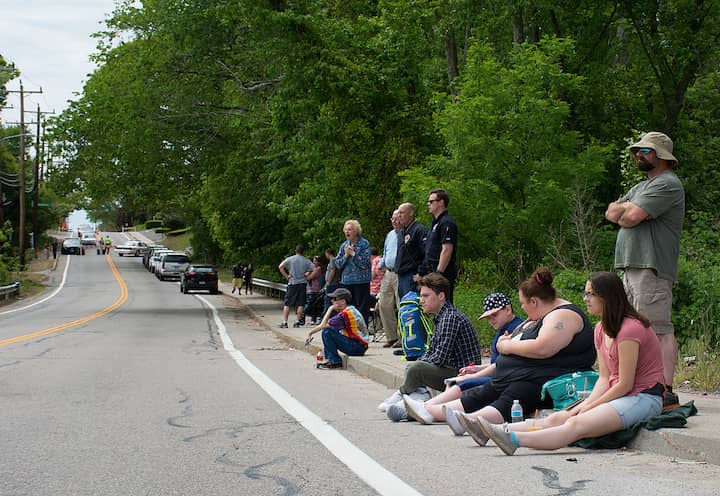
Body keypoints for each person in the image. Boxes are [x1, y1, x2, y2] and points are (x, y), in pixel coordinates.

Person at [471, 271, 666, 455]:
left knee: (575, 424)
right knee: (558, 417)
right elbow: (605, 378)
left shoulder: (630, 329)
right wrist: (586, 404)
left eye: (591, 294)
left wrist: (590, 407)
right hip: (618, 394)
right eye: (585, 293)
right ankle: (493, 430)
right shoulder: (601, 328)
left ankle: (513, 439)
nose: (585, 299)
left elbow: (625, 384)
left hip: (644, 397)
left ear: (607, 296)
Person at [403, 268, 595, 436]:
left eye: (523, 303)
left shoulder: (562, 316)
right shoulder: (542, 316)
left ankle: (469, 420)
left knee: (512, 394)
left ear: (534, 301)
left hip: (542, 380)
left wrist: (506, 346)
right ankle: (432, 410)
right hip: (516, 375)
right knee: (484, 391)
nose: (522, 308)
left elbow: (543, 348)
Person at [605, 131, 685, 409]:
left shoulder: (668, 184)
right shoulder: (642, 187)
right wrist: (624, 210)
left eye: (645, 151)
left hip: (652, 267)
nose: (638, 154)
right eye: (636, 150)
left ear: (661, 155)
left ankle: (665, 391)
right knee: (635, 328)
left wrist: (626, 211)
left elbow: (630, 216)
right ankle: (643, 385)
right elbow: (611, 212)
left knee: (657, 328)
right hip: (632, 265)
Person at [407, 292, 526, 423]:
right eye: (488, 317)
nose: (491, 320)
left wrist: (472, 376)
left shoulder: (515, 330)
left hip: (502, 378)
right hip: (498, 374)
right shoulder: (503, 330)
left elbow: (503, 364)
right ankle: (429, 408)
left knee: (461, 383)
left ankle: (427, 408)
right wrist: (478, 368)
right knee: (455, 382)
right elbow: (498, 362)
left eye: (495, 315)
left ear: (508, 309)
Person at [377, 273, 482, 421]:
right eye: (421, 296)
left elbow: (440, 358)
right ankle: (417, 398)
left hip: (463, 375)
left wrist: (419, 367)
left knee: (416, 369)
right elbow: (432, 352)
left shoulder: (450, 318)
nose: (421, 300)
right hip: (452, 370)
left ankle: (406, 395)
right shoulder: (442, 317)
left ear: (441, 296)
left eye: (426, 296)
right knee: (415, 366)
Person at [304, 288, 369, 370]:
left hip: (357, 347)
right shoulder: (350, 310)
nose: (332, 301)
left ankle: (334, 361)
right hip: (360, 346)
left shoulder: (346, 314)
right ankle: (331, 359)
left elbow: (323, 325)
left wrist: (330, 309)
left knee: (327, 332)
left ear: (343, 301)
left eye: (335, 299)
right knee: (330, 331)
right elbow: (329, 325)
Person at [418, 189, 458, 302]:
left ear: (441, 202)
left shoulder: (447, 223)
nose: (428, 204)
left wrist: (439, 273)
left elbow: (447, 250)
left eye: (431, 201)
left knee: (443, 302)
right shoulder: (434, 223)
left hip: (442, 273)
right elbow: (429, 249)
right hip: (430, 271)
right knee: (432, 305)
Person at [334, 219, 372, 322]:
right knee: (347, 309)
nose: (347, 232)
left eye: (350, 229)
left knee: (362, 310)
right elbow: (337, 264)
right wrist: (346, 255)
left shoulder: (364, 244)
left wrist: (354, 255)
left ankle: (362, 334)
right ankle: (349, 332)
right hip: (346, 282)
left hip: (361, 282)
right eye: (345, 230)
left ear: (356, 231)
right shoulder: (343, 245)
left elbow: (365, 264)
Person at [377, 210, 401, 348]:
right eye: (392, 218)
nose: (395, 221)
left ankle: (402, 337)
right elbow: (386, 251)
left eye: (397, 218)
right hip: (388, 272)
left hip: (400, 272)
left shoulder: (405, 234)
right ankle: (391, 336)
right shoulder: (390, 235)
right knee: (384, 304)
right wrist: (381, 264)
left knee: (400, 304)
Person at [395, 202, 426, 300]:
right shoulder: (401, 231)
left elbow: (426, 253)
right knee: (404, 304)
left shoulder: (419, 229)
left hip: (412, 274)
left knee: (411, 304)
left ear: (411, 213)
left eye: (402, 213)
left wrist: (421, 272)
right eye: (398, 213)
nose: (399, 216)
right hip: (401, 274)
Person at [278, 245, 314, 328]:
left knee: (288, 303)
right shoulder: (306, 261)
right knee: (301, 303)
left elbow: (280, 267)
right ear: (303, 252)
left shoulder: (290, 259)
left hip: (292, 283)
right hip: (302, 283)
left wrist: (287, 276)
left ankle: (285, 322)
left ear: (295, 251)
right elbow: (314, 269)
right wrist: (308, 277)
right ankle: (297, 321)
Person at [304, 256, 323, 324]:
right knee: (313, 305)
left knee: (310, 304)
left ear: (318, 262)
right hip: (310, 288)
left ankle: (302, 314)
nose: (314, 262)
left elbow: (309, 277)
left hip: (315, 288)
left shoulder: (318, 269)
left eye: (315, 261)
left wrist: (305, 275)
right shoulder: (313, 268)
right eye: (313, 261)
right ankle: (313, 319)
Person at [323, 248, 342, 314]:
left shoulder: (333, 260)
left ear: (328, 253)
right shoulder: (335, 260)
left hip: (332, 284)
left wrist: (329, 282)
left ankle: (328, 315)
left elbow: (332, 271)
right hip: (334, 283)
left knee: (328, 300)